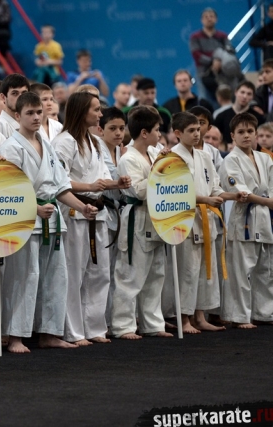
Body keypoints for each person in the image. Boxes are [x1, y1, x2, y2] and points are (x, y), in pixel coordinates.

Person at [0, 92, 98, 353]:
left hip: (51, 219)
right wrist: (34, 208)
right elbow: (6, 190)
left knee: (56, 278)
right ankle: (15, 336)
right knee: (24, 278)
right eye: (29, 113)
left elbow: (61, 187)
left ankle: (49, 333)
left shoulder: (47, 145)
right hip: (25, 223)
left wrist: (82, 207)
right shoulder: (11, 148)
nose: (35, 117)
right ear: (17, 115)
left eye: (38, 112)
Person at [52, 92, 131, 345]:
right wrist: (89, 186)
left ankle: (95, 328)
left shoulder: (95, 142)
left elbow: (102, 177)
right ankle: (73, 331)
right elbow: (59, 180)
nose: (100, 114)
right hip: (75, 210)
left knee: (99, 273)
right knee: (74, 274)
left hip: (98, 210)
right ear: (81, 111)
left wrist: (117, 183)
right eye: (96, 109)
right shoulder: (63, 142)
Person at [170, 112, 244, 333]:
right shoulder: (171, 157)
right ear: (177, 133)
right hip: (184, 220)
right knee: (187, 270)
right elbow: (174, 192)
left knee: (204, 269)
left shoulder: (204, 156)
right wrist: (205, 200)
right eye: (191, 130)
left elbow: (215, 188)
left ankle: (200, 316)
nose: (197, 134)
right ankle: (184, 318)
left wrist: (232, 195)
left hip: (206, 218)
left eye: (198, 129)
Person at [110, 106, 172, 339]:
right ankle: (123, 325)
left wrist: (167, 164)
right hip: (137, 217)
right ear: (144, 133)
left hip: (157, 219)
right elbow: (138, 190)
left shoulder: (155, 153)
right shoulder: (128, 158)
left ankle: (153, 324)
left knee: (156, 274)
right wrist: (160, 170)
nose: (160, 134)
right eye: (156, 130)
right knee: (130, 275)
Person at [219, 112, 273, 329]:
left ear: (256, 133)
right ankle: (239, 316)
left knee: (265, 269)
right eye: (241, 132)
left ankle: (264, 312)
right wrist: (268, 202)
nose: (246, 135)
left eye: (250, 131)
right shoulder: (230, 160)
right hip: (244, 218)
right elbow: (240, 192)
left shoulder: (264, 158)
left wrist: (269, 201)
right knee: (241, 271)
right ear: (232, 135)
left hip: (265, 218)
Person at [97, 107, 127, 327]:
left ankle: (112, 319)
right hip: (102, 211)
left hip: (119, 212)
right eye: (112, 128)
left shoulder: (122, 151)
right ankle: (100, 322)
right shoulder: (96, 150)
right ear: (101, 129)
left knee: (116, 270)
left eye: (122, 128)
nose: (118, 133)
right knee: (101, 271)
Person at [189, 8, 236, 105]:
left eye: (211, 16)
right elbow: (197, 55)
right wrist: (212, 62)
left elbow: (230, 50)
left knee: (225, 101)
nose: (209, 19)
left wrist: (219, 60)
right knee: (205, 102)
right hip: (203, 74)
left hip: (222, 75)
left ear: (216, 19)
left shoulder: (222, 35)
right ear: (201, 20)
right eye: (206, 17)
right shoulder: (195, 37)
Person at [215, 81, 265, 145]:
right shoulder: (221, 116)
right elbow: (215, 137)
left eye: (249, 94)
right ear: (236, 92)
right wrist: (225, 146)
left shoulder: (258, 118)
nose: (245, 96)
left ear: (252, 97)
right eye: (242, 92)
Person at [0, 74, 29, 138]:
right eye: (14, 93)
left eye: (24, 93)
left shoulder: (33, 123)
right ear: (3, 97)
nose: (20, 97)